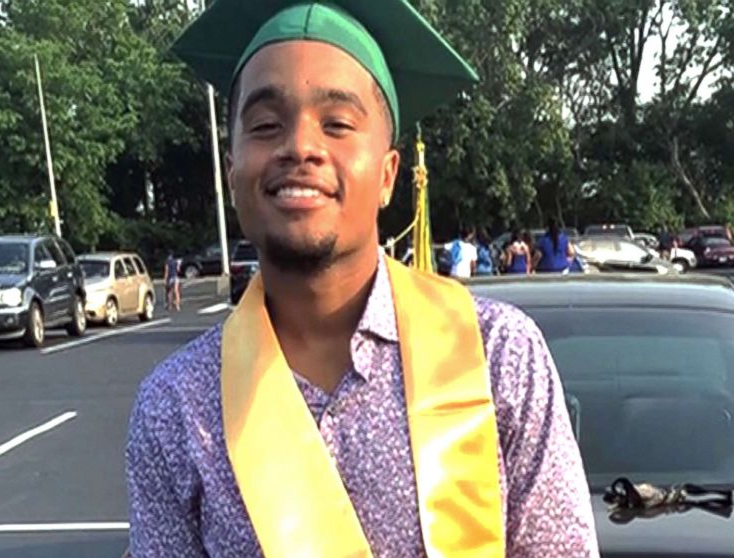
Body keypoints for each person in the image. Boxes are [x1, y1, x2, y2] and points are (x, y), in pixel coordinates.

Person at [126, 2, 597, 557]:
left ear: (389, 175)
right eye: (265, 125)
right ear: (233, 170)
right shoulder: (176, 407)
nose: (300, 146)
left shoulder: (498, 358)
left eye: (338, 125)